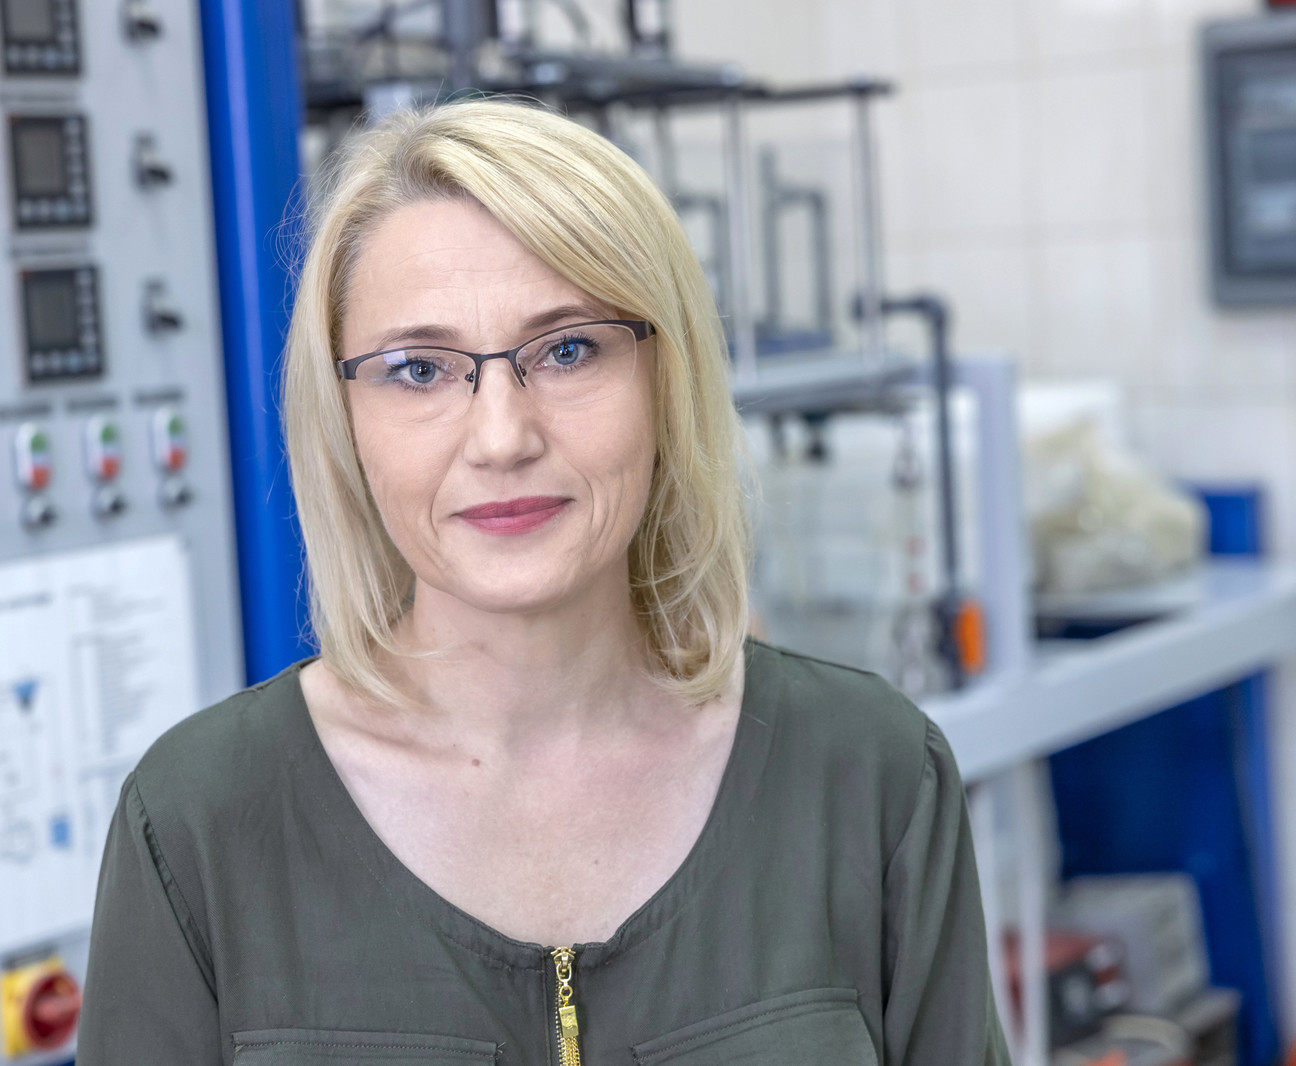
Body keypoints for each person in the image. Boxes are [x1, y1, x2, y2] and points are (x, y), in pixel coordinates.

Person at [81, 99, 1009, 1065]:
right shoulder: (199, 822)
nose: (501, 438)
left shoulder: (869, 772)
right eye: (418, 369)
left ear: (667, 380)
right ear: (343, 419)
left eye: (569, 351)